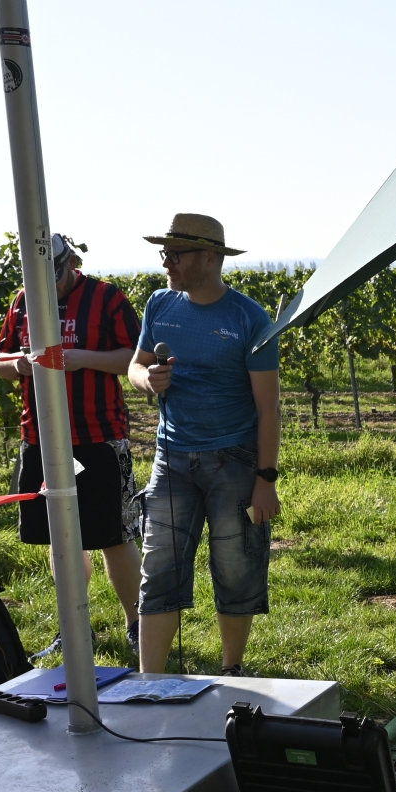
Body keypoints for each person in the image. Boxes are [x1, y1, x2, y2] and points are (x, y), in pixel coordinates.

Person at [127, 213, 282, 676]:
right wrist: (147, 380)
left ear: (210, 258)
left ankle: (232, 669)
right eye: (165, 253)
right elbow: (135, 366)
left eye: (176, 255)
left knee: (236, 566)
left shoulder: (249, 318)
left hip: (234, 460)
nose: (166, 263)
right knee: (159, 568)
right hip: (170, 458)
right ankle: (149, 681)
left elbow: (268, 407)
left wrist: (265, 480)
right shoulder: (159, 304)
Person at [0, 232, 144, 653]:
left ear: (70, 263)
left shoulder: (107, 298)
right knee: (61, 537)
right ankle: (74, 625)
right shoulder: (22, 301)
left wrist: (83, 359)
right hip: (40, 438)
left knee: (114, 535)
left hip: (98, 437)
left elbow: (136, 358)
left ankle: (138, 624)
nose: (45, 286)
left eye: (52, 277)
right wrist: (18, 365)